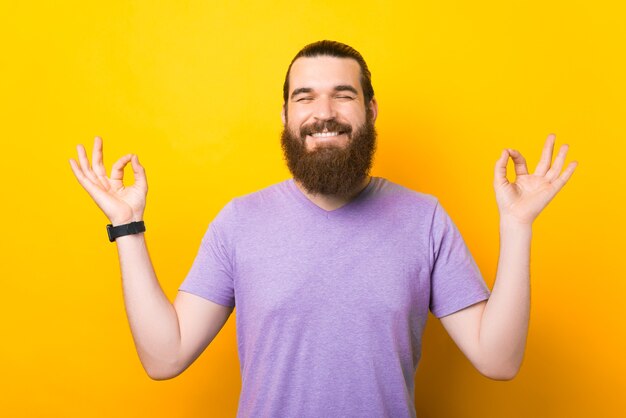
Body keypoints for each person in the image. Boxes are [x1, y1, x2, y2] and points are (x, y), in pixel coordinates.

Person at [69, 40, 577, 418]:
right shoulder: (239, 221)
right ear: (286, 115)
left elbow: (499, 359)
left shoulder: (425, 219)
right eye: (305, 97)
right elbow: (165, 355)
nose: (324, 113)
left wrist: (517, 226)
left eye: (343, 95)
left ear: (370, 110)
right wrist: (126, 226)